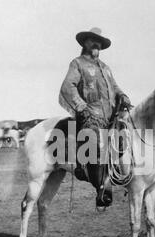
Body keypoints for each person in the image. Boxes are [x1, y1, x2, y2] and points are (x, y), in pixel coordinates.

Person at [59, 27, 131, 181]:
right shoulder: (77, 63)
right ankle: (97, 182)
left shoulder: (105, 68)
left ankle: (117, 170)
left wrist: (123, 95)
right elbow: (68, 86)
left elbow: (114, 86)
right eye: (93, 41)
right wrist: (82, 107)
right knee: (94, 141)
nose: (96, 44)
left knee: (126, 136)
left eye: (99, 42)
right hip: (90, 116)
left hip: (110, 115)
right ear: (85, 43)